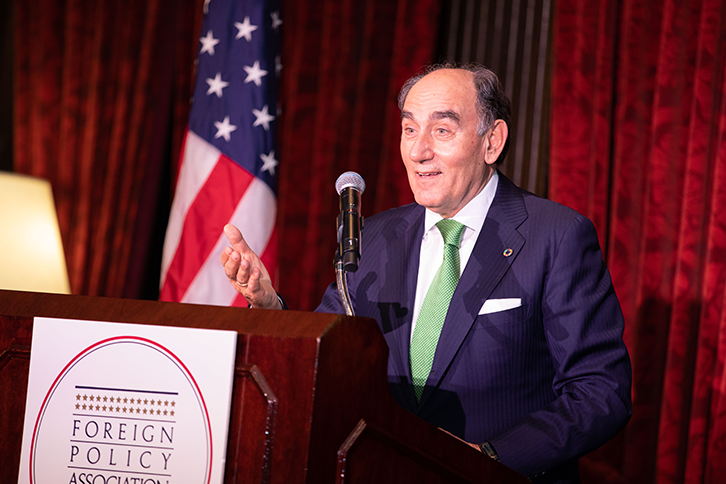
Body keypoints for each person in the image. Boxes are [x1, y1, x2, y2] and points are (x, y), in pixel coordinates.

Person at [221, 64, 632, 483]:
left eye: (442, 130)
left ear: (492, 142)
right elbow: (329, 355)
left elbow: (599, 391)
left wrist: (490, 457)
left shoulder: (556, 235)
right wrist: (269, 304)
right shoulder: (375, 235)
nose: (418, 152)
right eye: (409, 129)